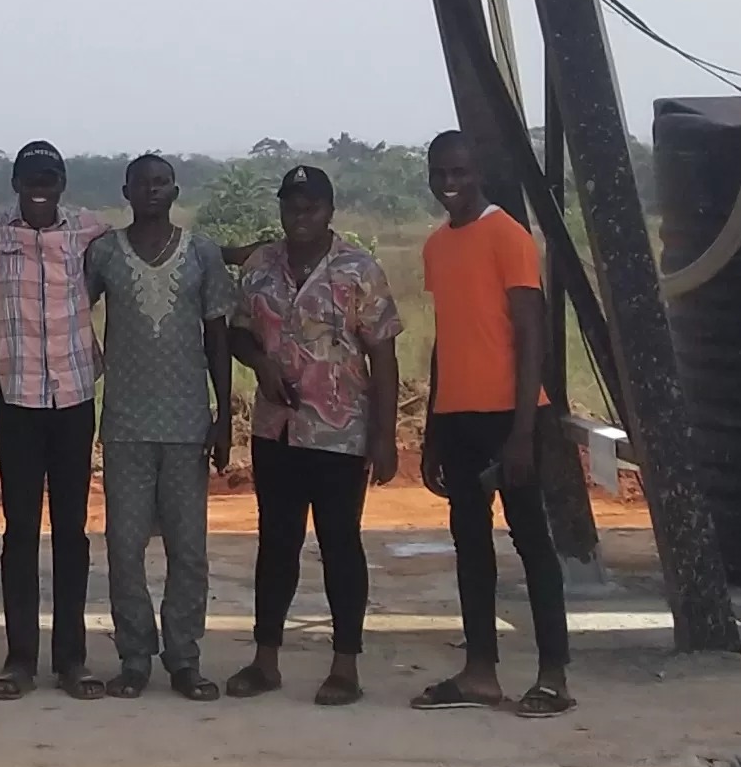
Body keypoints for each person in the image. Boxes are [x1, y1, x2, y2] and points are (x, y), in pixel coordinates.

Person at [228, 162, 401, 705]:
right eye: (291, 207)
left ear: (330, 211)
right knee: (276, 545)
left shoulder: (358, 271)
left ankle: (345, 665)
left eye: (311, 208)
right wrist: (261, 364)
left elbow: (383, 355)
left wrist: (385, 435)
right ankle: (265, 660)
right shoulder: (259, 268)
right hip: (276, 431)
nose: (300, 218)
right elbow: (237, 334)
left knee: (340, 545)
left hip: (340, 433)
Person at [414, 129, 570, 716]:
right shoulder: (435, 246)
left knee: (532, 542)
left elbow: (532, 333)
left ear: (479, 172)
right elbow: (446, 339)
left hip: (513, 415)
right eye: (440, 173)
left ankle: (554, 673)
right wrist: (431, 427)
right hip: (458, 416)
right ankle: (480, 671)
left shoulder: (509, 236)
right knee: (470, 546)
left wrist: (525, 430)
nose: (450, 184)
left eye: (460, 172)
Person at [82, 153, 235, 700]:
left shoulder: (203, 254)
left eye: (161, 182)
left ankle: (185, 657)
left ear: (175, 190)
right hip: (124, 423)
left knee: (188, 549)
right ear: (126, 190)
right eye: (142, 182)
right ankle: (134, 658)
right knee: (124, 547)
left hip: (188, 422)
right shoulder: (103, 253)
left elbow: (217, 335)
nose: (152, 190)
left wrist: (223, 416)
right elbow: (72, 314)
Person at [0, 139, 100, 700]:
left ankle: (72, 661)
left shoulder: (90, 229)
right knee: (19, 535)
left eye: (50, 177)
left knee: (72, 535)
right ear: (16, 183)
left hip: (73, 400)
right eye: (30, 178)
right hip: (15, 401)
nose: (40, 187)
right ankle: (19, 660)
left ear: (62, 182)